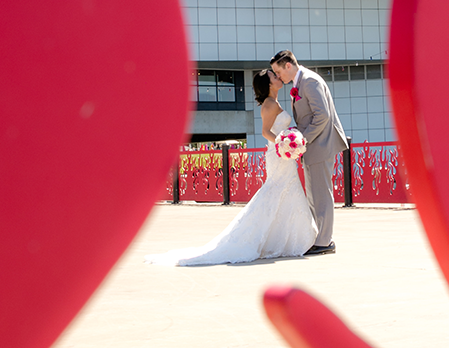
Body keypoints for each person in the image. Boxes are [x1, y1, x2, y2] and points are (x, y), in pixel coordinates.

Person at [145, 69, 317, 266]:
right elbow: (265, 132)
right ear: (268, 85)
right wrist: (282, 143)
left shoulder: (274, 102)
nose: (278, 78)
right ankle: (284, 240)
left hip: (282, 155)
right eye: (274, 77)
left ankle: (288, 239)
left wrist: (288, 140)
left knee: (286, 193)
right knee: (277, 192)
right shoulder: (269, 104)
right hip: (278, 155)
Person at [270, 50, 348, 255]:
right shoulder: (301, 82)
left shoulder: (310, 81)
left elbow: (322, 115)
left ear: (288, 65)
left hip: (320, 144)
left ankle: (325, 242)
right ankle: (319, 238)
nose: (278, 77)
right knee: (314, 194)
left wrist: (302, 139)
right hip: (313, 146)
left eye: (278, 72)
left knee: (321, 194)